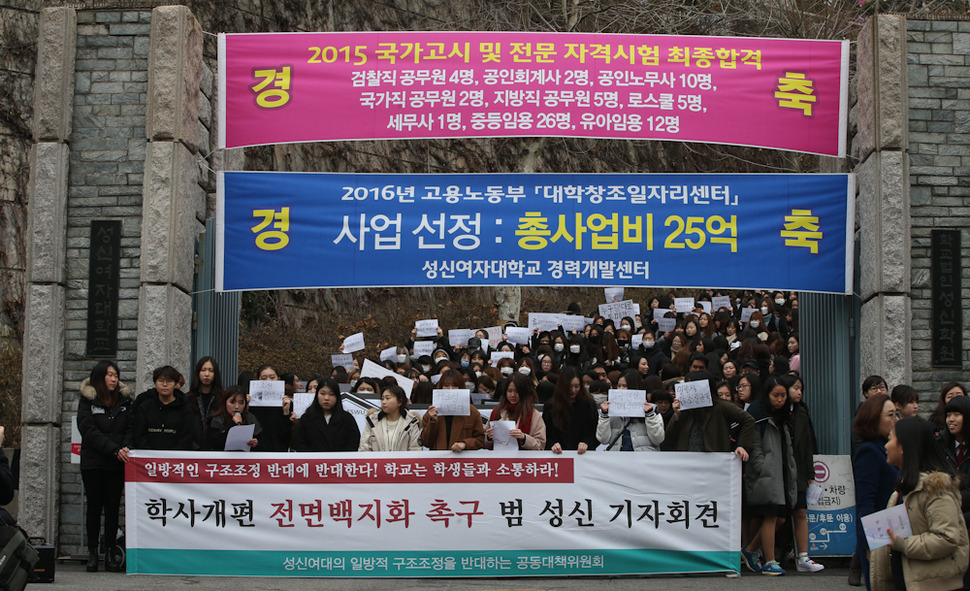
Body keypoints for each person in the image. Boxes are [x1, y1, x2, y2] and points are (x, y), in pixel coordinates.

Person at [870, 417, 969, 591]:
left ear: (903, 447)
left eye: (890, 440)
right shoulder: (903, 490)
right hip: (907, 581)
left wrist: (903, 543)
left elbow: (946, 538)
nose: (886, 446)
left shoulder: (936, 489)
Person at [77, 360, 132, 572]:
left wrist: (125, 447)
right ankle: (93, 553)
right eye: (109, 375)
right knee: (94, 508)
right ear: (100, 377)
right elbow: (88, 430)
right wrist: (112, 449)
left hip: (117, 464)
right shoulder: (87, 401)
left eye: (116, 375)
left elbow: (131, 427)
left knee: (112, 509)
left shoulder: (126, 401)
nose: (114, 378)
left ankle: (110, 552)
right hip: (94, 463)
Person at [741, 376, 797, 576]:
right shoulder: (759, 414)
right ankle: (770, 561)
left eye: (783, 395)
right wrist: (761, 466)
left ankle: (749, 550)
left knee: (780, 518)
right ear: (767, 395)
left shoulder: (783, 416)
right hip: (766, 473)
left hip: (780, 473)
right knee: (772, 515)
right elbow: (754, 444)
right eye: (775, 395)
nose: (780, 399)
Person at [851, 393, 900, 590]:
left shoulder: (891, 448)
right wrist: (869, 546)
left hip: (896, 530)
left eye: (897, 414)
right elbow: (866, 503)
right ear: (873, 419)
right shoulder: (869, 451)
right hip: (878, 535)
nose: (896, 420)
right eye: (890, 415)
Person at [785, 374, 824, 573]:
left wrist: (811, 471)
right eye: (795, 388)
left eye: (801, 388)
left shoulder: (802, 412)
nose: (799, 392)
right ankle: (754, 551)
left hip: (799, 469)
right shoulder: (777, 412)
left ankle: (803, 557)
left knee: (801, 512)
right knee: (777, 516)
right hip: (781, 469)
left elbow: (809, 444)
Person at [130, 366, 201, 451]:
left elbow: (187, 437)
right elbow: (139, 435)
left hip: (175, 459)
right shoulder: (145, 407)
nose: (164, 384)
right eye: (161, 380)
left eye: (169, 381)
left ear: (175, 384)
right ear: (155, 383)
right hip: (148, 460)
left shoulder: (185, 409)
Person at [941, 395, 970, 590]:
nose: (951, 419)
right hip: (948, 523)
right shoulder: (941, 446)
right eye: (948, 415)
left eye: (956, 414)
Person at [596, 369, 664, 452]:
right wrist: (604, 415)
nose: (620, 389)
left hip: (643, 460)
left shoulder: (651, 409)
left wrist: (650, 416)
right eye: (619, 386)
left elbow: (658, 439)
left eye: (624, 386)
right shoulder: (610, 410)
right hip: (617, 460)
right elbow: (603, 439)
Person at [420, 371, 485, 452]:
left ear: (461, 387)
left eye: (455, 386)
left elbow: (481, 440)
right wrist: (432, 421)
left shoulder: (472, 412)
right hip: (439, 461)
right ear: (441, 387)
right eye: (446, 386)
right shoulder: (432, 412)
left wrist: (465, 444)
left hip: (462, 460)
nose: (450, 389)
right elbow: (426, 442)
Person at [291, 378, 360, 451]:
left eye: (331, 394)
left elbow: (353, 443)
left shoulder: (347, 419)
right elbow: (298, 442)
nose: (326, 398)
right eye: (322, 393)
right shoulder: (307, 418)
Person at [542, 366, 598, 454]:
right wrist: (552, 444)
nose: (573, 390)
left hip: (583, 455)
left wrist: (586, 443)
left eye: (576, 386)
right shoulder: (551, 406)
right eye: (569, 386)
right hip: (557, 454)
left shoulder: (589, 405)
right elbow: (546, 433)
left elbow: (594, 434)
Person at [485, 374, 546, 450]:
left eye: (517, 391)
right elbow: (483, 441)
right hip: (499, 459)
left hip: (523, 460)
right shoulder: (496, 412)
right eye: (509, 391)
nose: (512, 395)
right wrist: (488, 437)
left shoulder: (534, 415)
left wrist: (524, 438)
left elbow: (540, 445)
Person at [358, 385, 422, 451]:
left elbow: (415, 449)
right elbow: (364, 448)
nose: (384, 402)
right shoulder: (373, 421)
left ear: (399, 402)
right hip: (376, 461)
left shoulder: (411, 422)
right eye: (382, 399)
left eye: (388, 398)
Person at [204, 386, 261, 451]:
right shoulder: (217, 419)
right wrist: (232, 424)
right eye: (232, 402)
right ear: (225, 402)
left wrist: (255, 443)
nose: (237, 407)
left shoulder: (250, 418)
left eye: (241, 403)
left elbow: (261, 441)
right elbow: (213, 443)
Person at [186, 356, 224, 424]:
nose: (207, 374)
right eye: (203, 370)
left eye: (211, 370)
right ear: (198, 373)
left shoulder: (222, 399)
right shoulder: (188, 398)